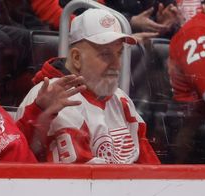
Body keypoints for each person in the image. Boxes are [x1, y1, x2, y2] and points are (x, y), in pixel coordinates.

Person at [16, 8, 159, 164]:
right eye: (106, 54)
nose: (117, 65)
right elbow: (82, 182)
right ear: (77, 58)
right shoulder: (53, 100)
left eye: (119, 53)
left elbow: (152, 169)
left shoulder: (121, 99)